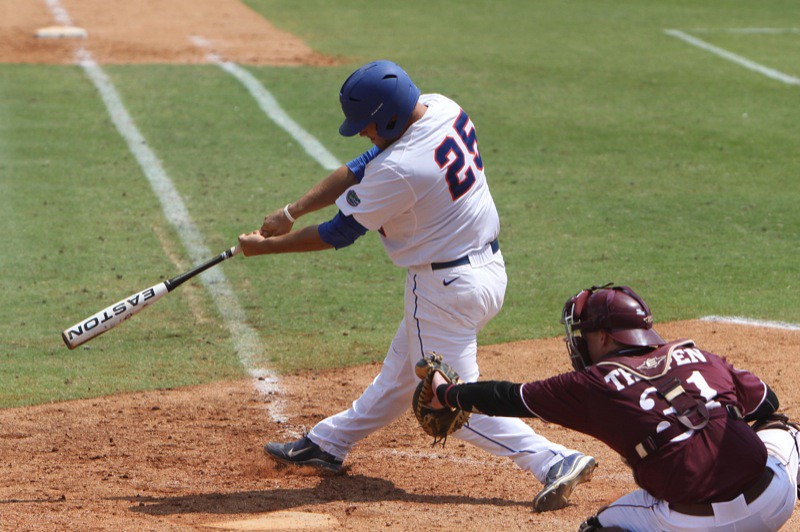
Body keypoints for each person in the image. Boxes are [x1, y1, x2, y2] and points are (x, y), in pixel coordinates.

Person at [237, 60, 596, 511]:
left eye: (366, 125)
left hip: (443, 289)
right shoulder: (442, 107)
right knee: (401, 372)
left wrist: (263, 249)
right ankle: (329, 443)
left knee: (448, 404)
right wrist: (290, 213)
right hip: (484, 271)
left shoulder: (402, 169)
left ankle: (554, 459)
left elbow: (339, 233)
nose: (364, 134)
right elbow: (360, 166)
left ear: (387, 116)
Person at [424, 283, 800, 531]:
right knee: (787, 432)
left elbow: (508, 397)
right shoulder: (692, 352)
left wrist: (448, 393)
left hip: (692, 525)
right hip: (772, 501)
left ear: (603, 337)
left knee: (599, 528)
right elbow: (767, 402)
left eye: (584, 333)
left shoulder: (592, 384)